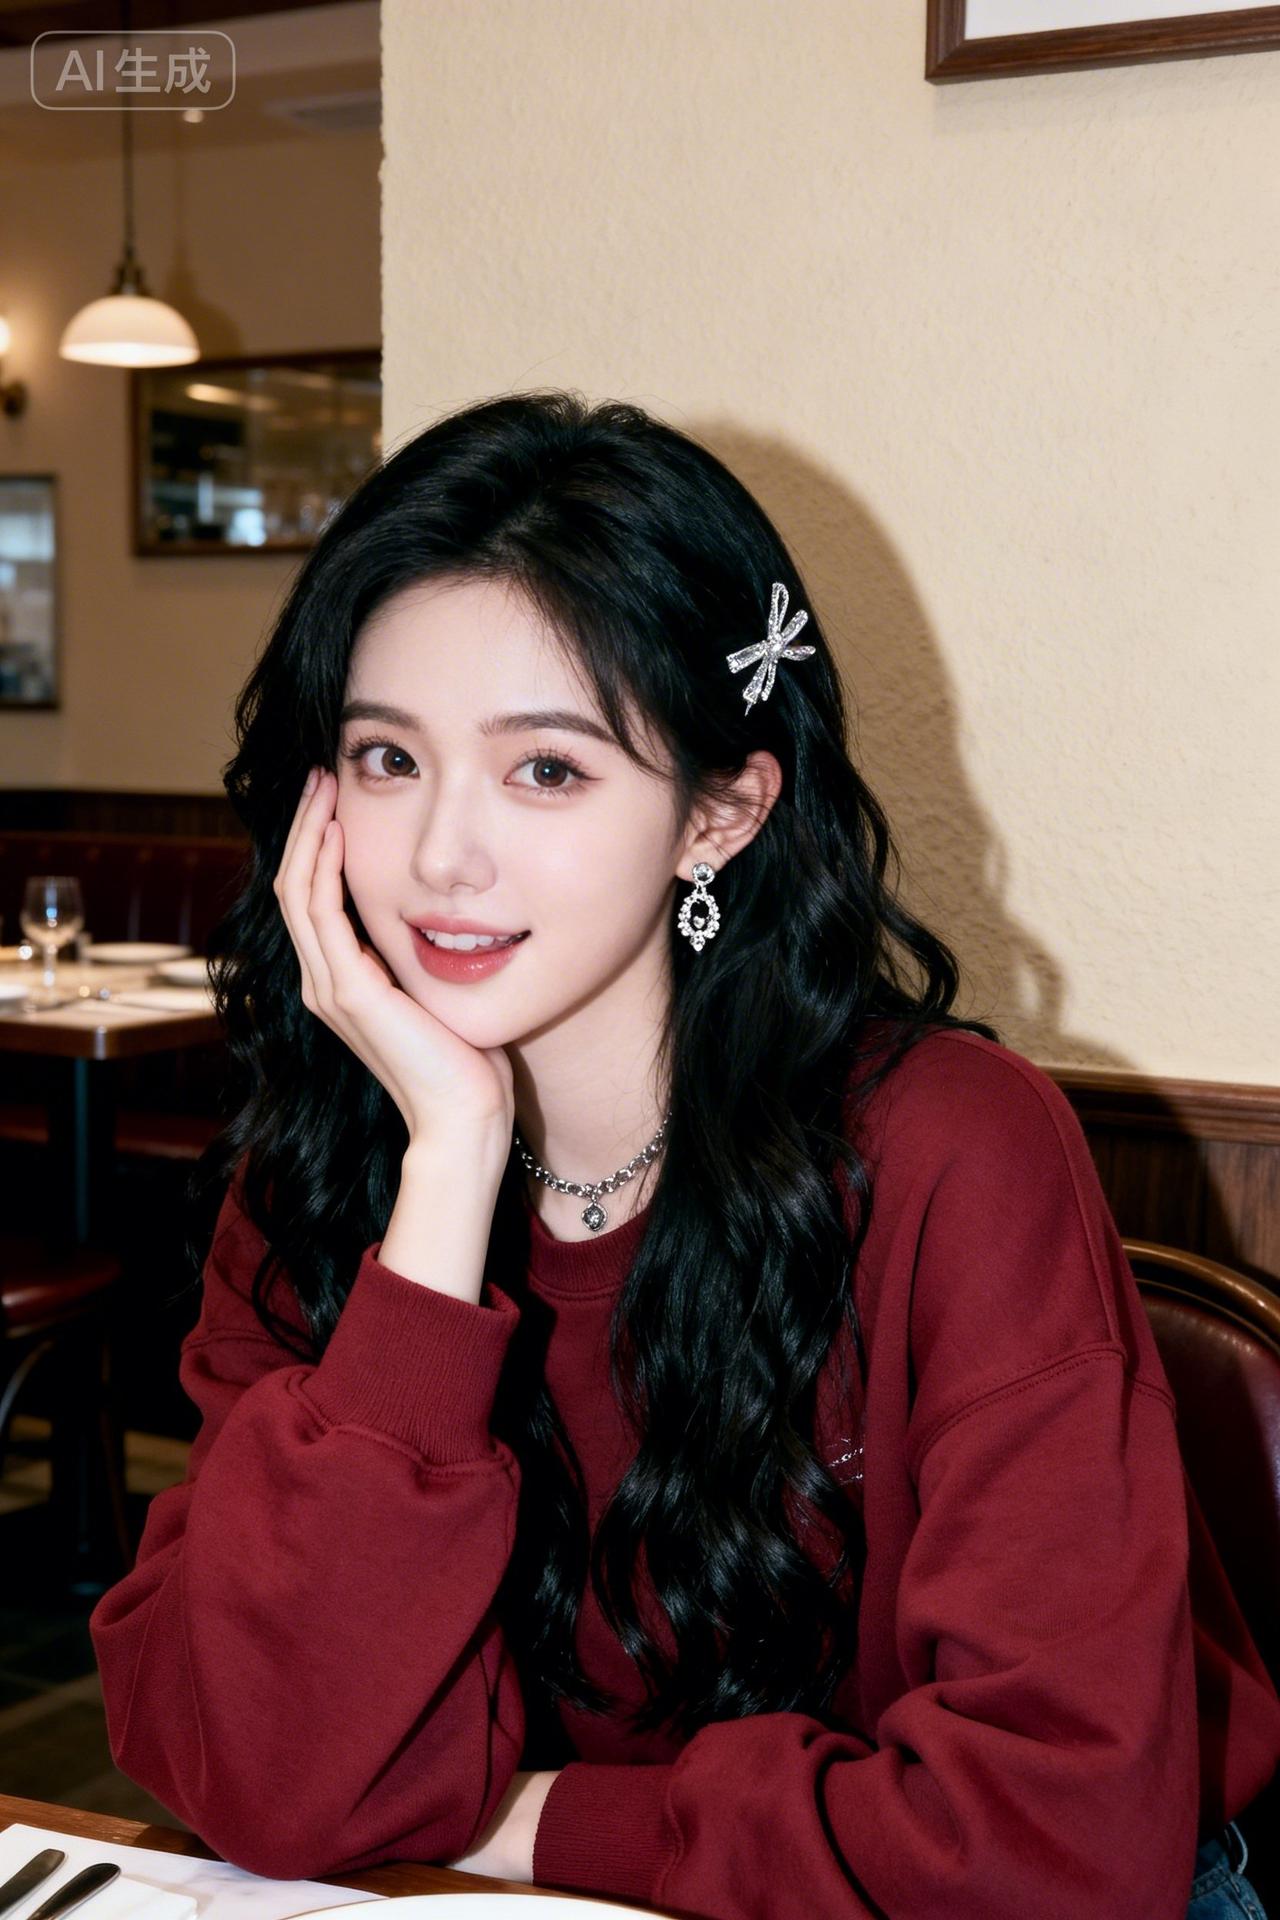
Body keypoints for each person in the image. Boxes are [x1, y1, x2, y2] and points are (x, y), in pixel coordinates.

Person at [90, 391, 1280, 1920]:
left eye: (547, 770)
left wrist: (528, 1824)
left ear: (719, 812)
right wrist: (449, 1171)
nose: (442, 853)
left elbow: (1054, 1846)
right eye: (387, 759)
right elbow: (264, 1777)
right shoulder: (326, 1169)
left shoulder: (953, 1151)